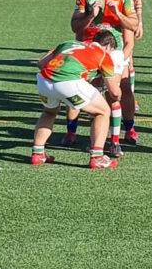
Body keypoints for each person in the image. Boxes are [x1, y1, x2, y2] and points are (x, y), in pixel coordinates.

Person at [71, 0, 140, 152]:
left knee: (119, 92)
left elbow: (133, 24)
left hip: (114, 50)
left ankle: (126, 131)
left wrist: (118, 14)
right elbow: (75, 26)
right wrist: (91, 15)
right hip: (90, 50)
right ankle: (73, 132)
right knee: (84, 89)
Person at [32, 30, 122, 170]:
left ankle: (38, 154)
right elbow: (114, 93)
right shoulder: (104, 55)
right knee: (103, 112)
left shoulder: (68, 43)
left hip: (44, 81)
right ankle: (97, 157)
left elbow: (41, 63)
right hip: (68, 83)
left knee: (49, 113)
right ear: (108, 46)